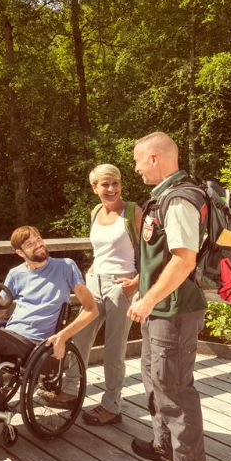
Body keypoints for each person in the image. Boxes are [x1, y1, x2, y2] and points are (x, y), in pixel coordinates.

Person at [126, 131, 211, 461]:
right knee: (154, 378)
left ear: (156, 159)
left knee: (174, 388)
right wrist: (141, 282)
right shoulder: (164, 198)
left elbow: (183, 259)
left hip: (173, 312)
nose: (136, 167)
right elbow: (164, 256)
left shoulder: (178, 201)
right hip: (160, 309)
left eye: (138, 160)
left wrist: (148, 300)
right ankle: (165, 445)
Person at [0, 226, 99, 427]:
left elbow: (91, 309)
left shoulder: (65, 266)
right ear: (19, 252)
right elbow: (0, 310)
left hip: (36, 342)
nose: (39, 245)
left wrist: (62, 336)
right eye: (30, 244)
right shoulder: (15, 274)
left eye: (39, 239)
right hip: (11, 334)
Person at [68, 163, 142, 426]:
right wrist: (91, 271)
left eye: (115, 183)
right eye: (105, 184)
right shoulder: (96, 211)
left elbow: (153, 251)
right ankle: (69, 391)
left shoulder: (133, 212)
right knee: (79, 338)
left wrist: (137, 281)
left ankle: (111, 406)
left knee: (113, 348)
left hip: (121, 286)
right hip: (94, 282)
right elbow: (100, 250)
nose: (111, 189)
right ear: (94, 188)